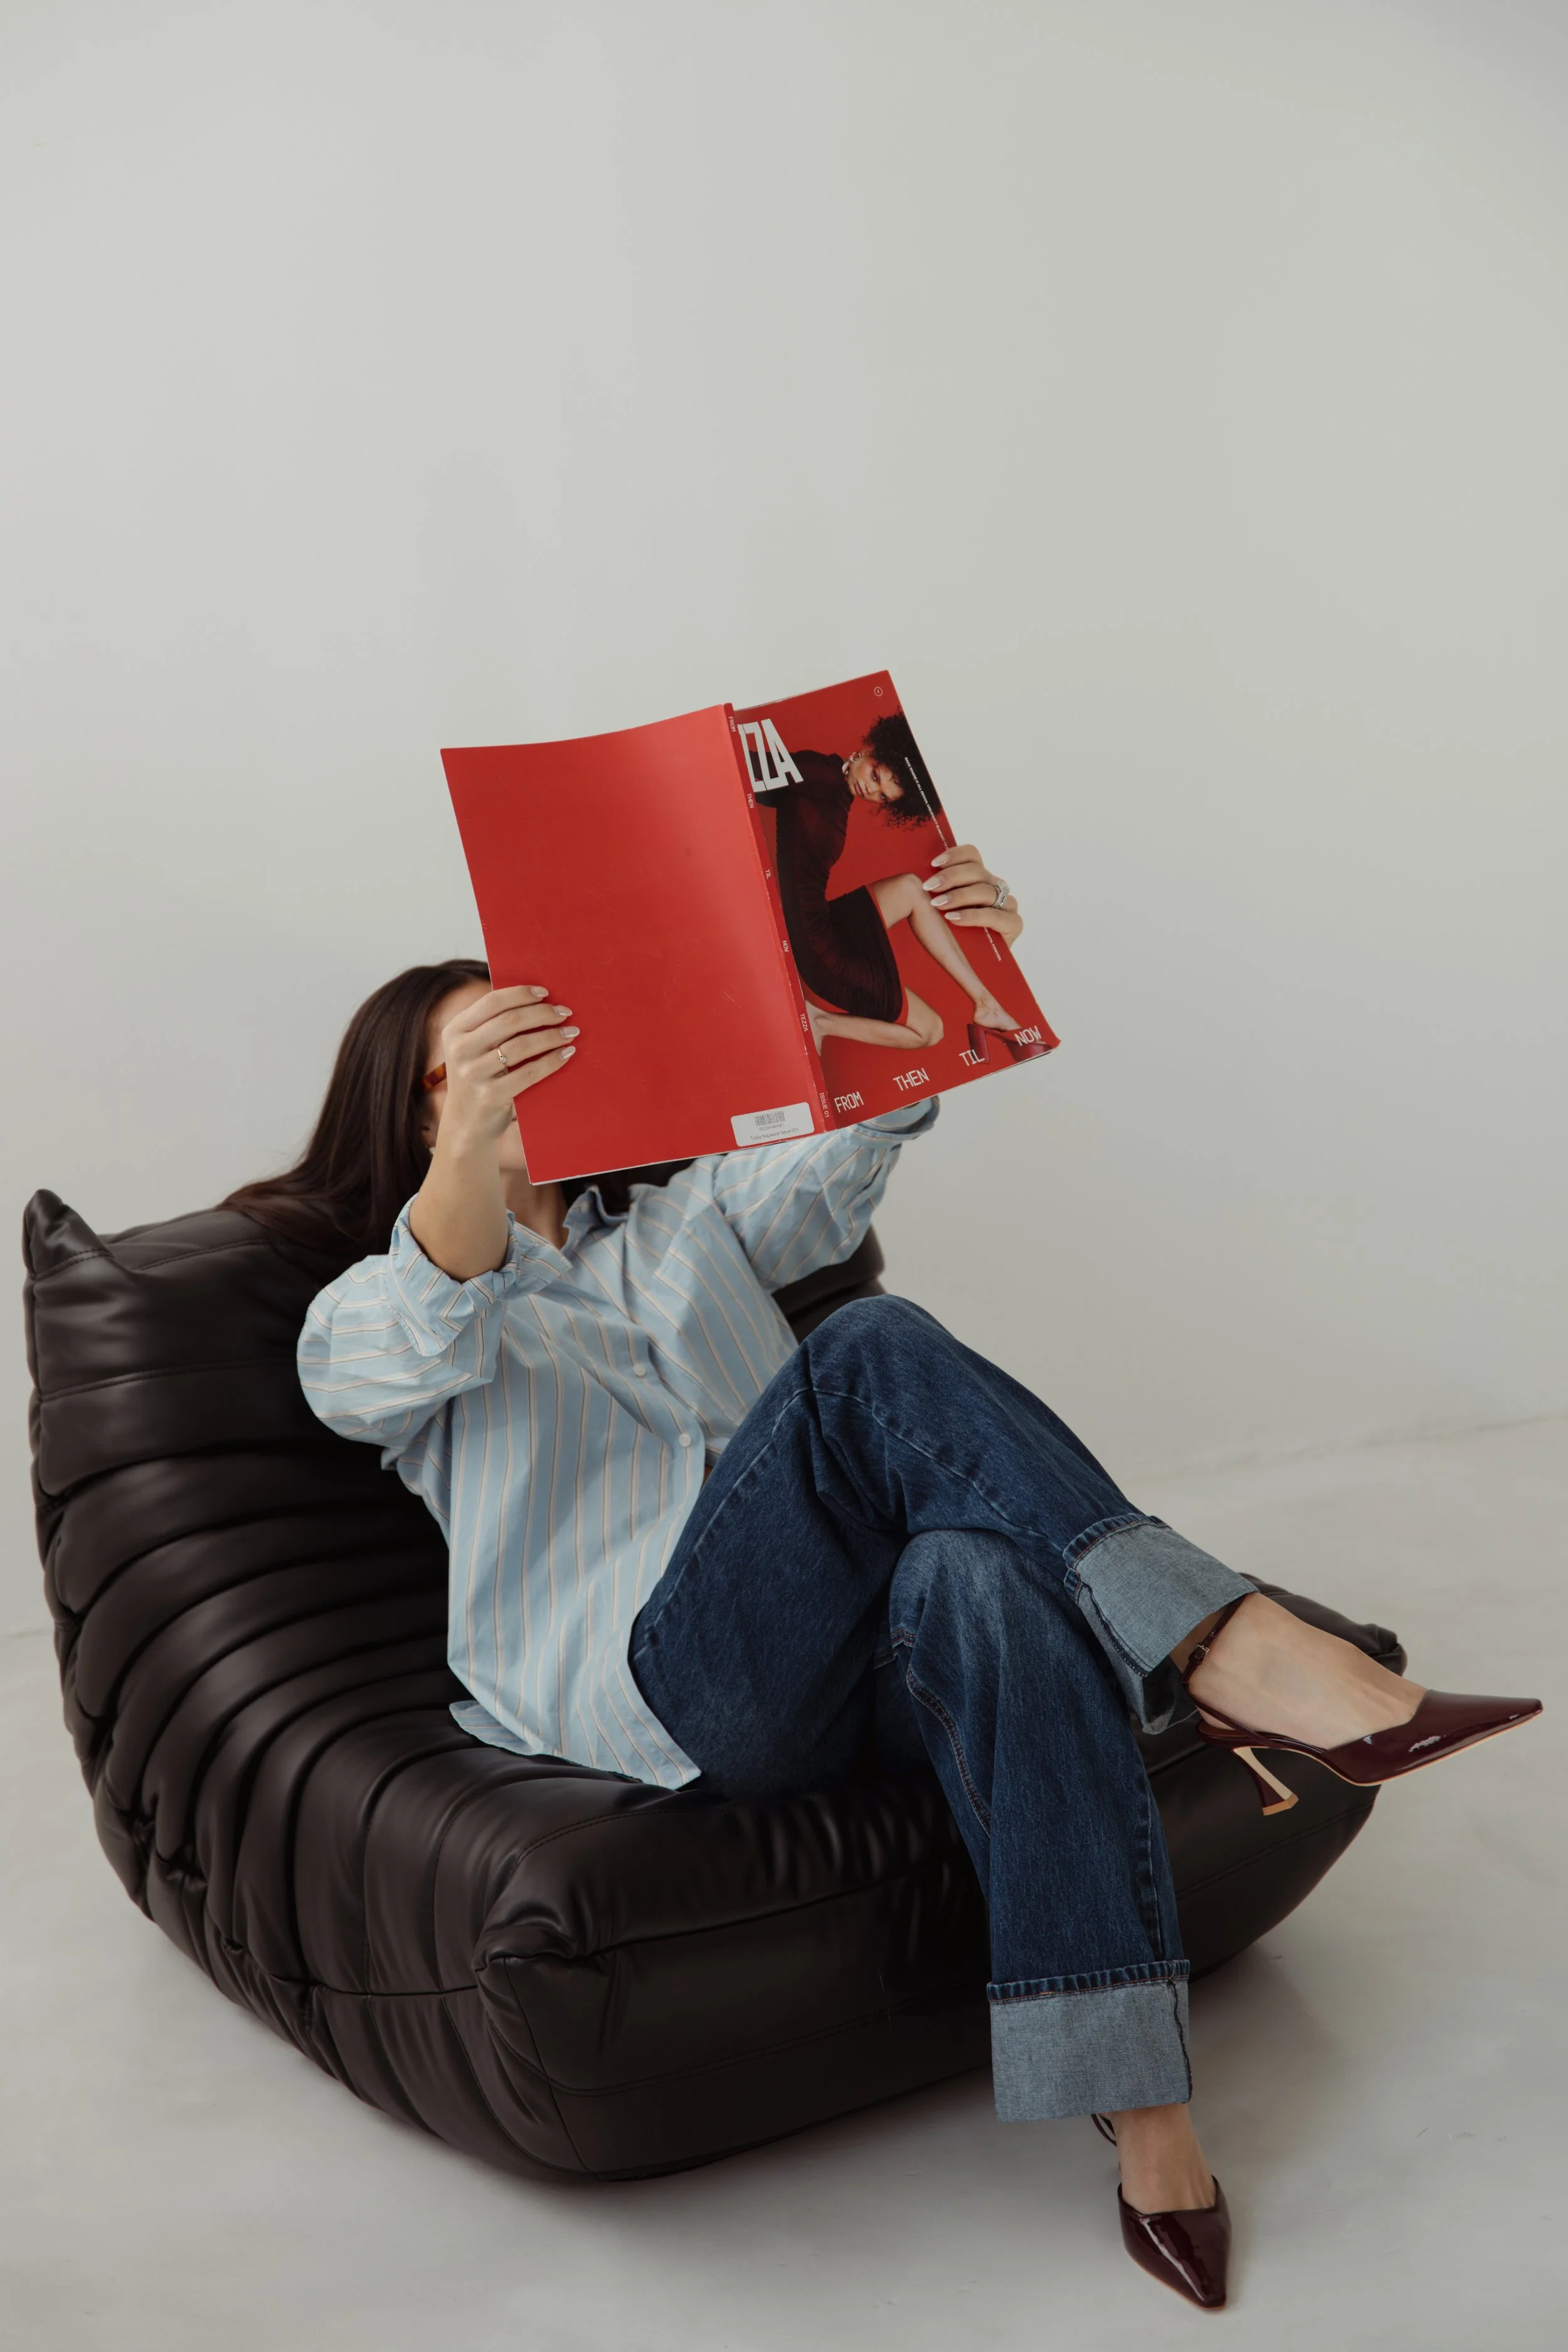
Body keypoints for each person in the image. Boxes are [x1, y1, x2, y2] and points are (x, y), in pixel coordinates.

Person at [243, 866, 1540, 2312]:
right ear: (416, 1110)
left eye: (536, 1039)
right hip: (666, 1694)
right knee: (869, 1345)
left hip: (849, 1657)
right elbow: (408, 1336)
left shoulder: (683, 1223)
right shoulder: (372, 1311)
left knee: (975, 1574)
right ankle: (1225, 1642)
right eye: (480, 1058)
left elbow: (846, 1133)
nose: (521, 1071)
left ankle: (1142, 2107)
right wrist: (475, 1151)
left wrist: (933, 964)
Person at [754, 711, 1037, 1060]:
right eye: (876, 775)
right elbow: (743, 767)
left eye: (884, 796)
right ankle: (820, 1023)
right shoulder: (822, 775)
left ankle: (985, 1001)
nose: (872, 790)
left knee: (909, 888)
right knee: (930, 1030)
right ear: (867, 751)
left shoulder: (831, 786)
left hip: (819, 923)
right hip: (819, 949)